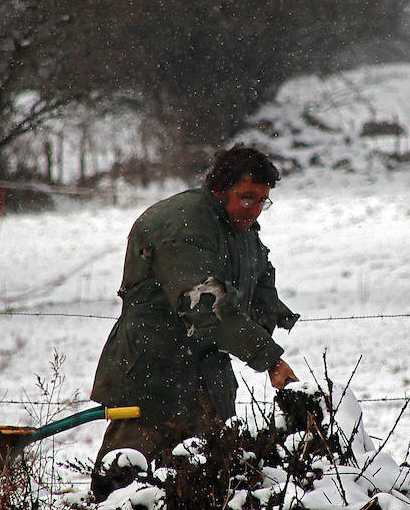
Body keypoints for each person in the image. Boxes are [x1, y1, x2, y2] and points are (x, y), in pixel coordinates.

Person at [92, 144, 300, 465]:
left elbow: (260, 284)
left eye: (262, 200)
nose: (255, 209)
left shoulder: (240, 229)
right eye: (247, 197)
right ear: (219, 188)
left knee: (203, 495)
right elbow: (204, 304)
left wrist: (264, 326)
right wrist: (269, 358)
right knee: (126, 482)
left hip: (206, 385)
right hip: (153, 381)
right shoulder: (183, 225)